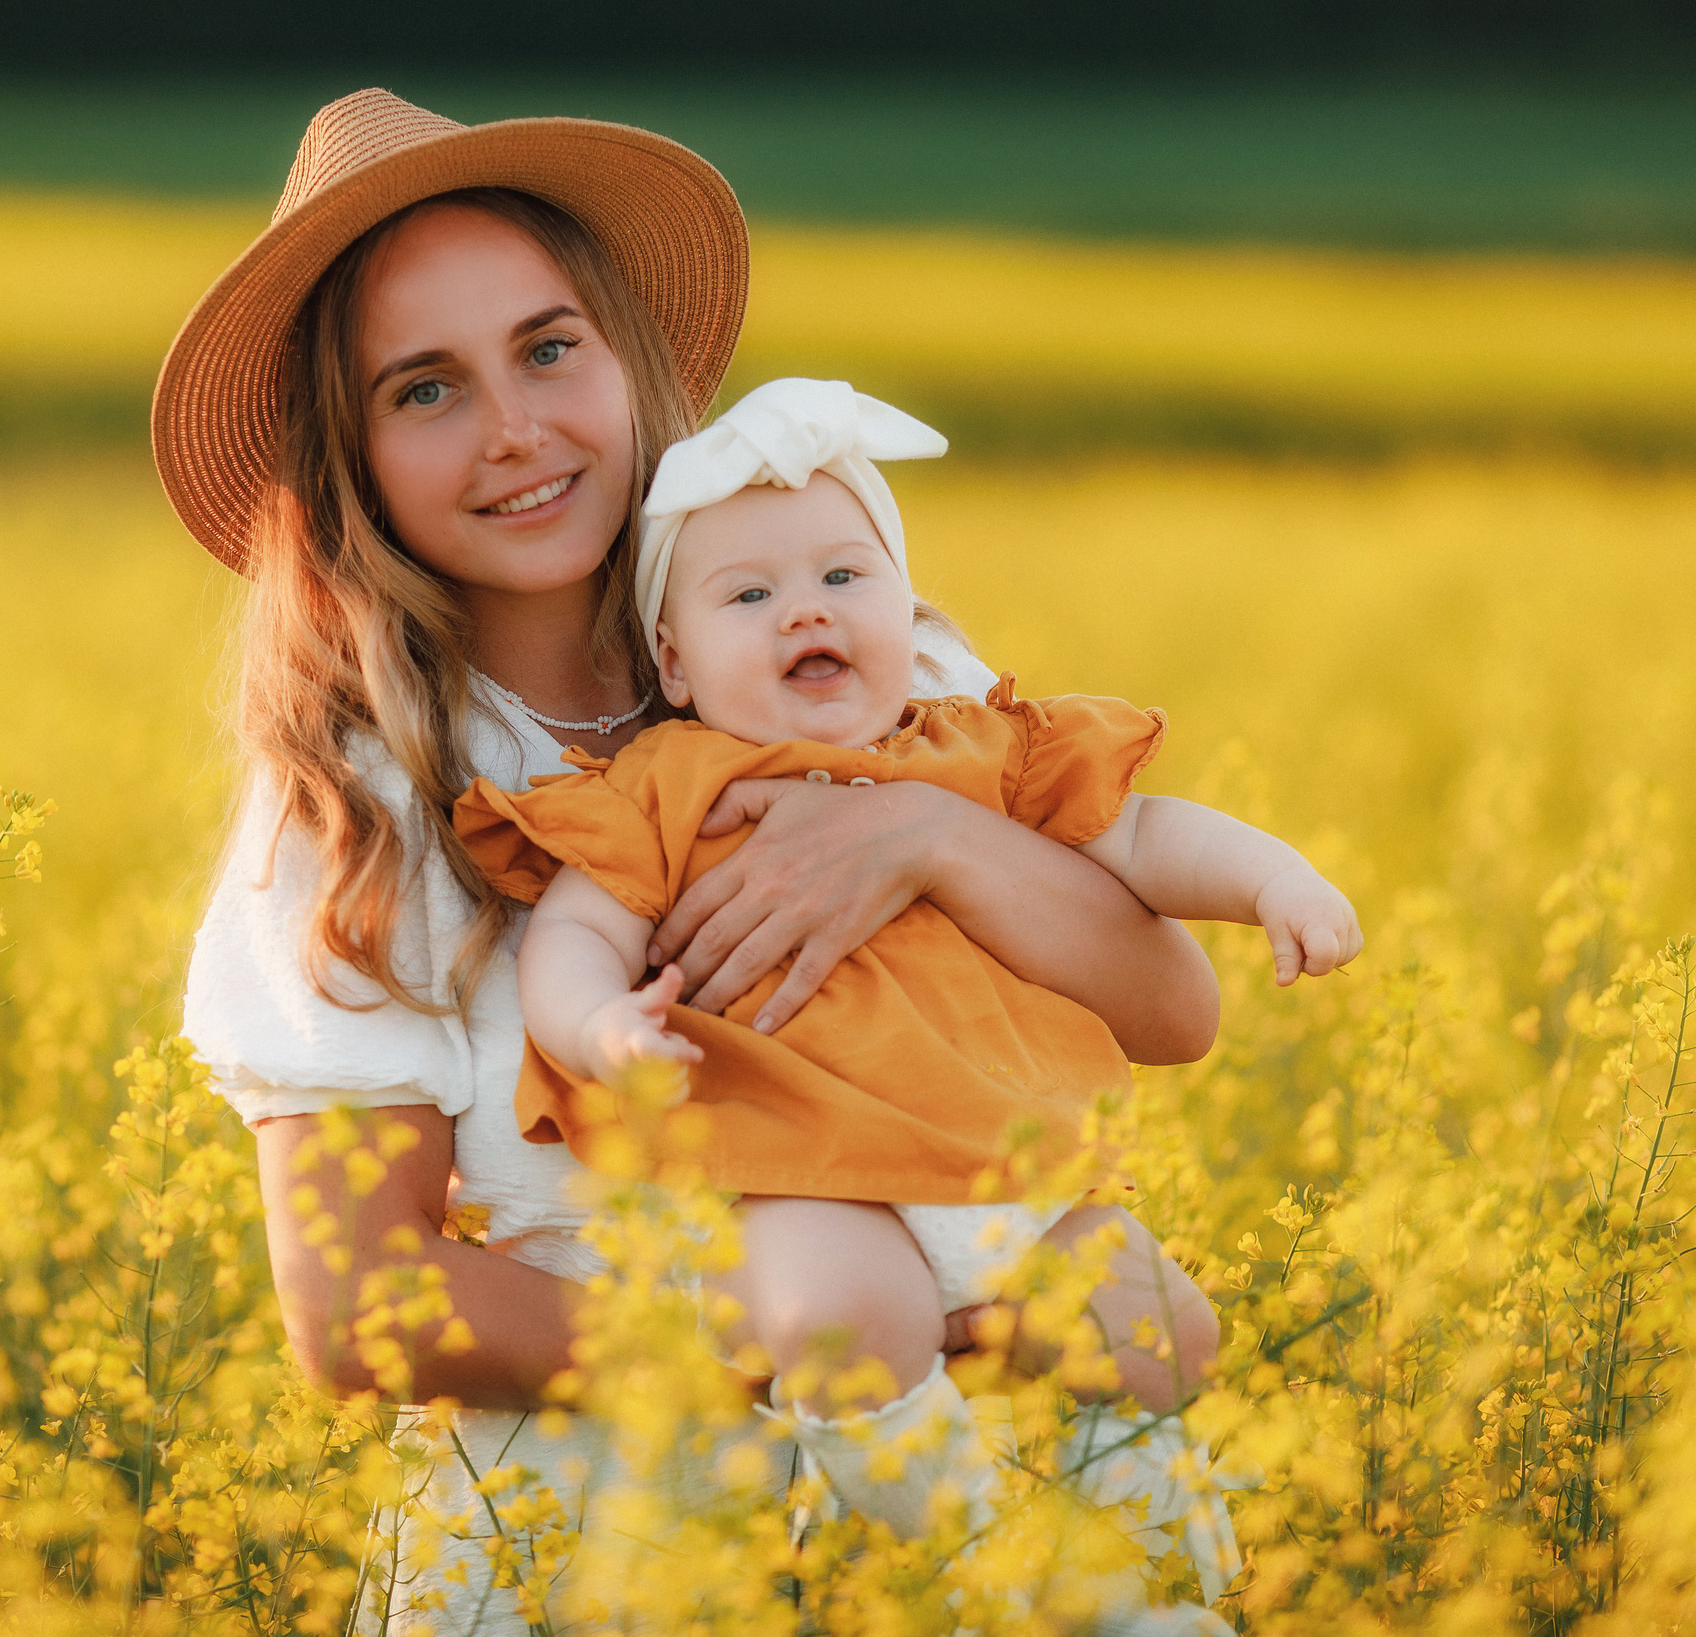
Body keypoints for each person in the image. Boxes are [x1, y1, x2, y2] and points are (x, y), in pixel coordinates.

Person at [160, 89, 1223, 1635]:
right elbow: (357, 1303)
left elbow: (1169, 1004)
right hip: (606, 1547)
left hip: (1015, 1526)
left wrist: (924, 833)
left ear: (629, 362)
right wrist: (843, 1345)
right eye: (424, 390)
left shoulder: (828, 651)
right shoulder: (359, 803)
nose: (516, 427)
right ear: (350, 462)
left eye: (547, 347)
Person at [457, 377, 1363, 1599]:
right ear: (673, 661)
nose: (803, 615)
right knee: (843, 1328)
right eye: (749, 595)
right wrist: (599, 1024)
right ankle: (977, 1569)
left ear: (907, 610)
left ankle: (1160, 1591)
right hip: (803, 1168)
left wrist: (1276, 882)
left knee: (1157, 1321)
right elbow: (574, 932)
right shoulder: (668, 786)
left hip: (1008, 1160)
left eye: (843, 578)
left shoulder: (977, 751)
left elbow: (1144, 838)